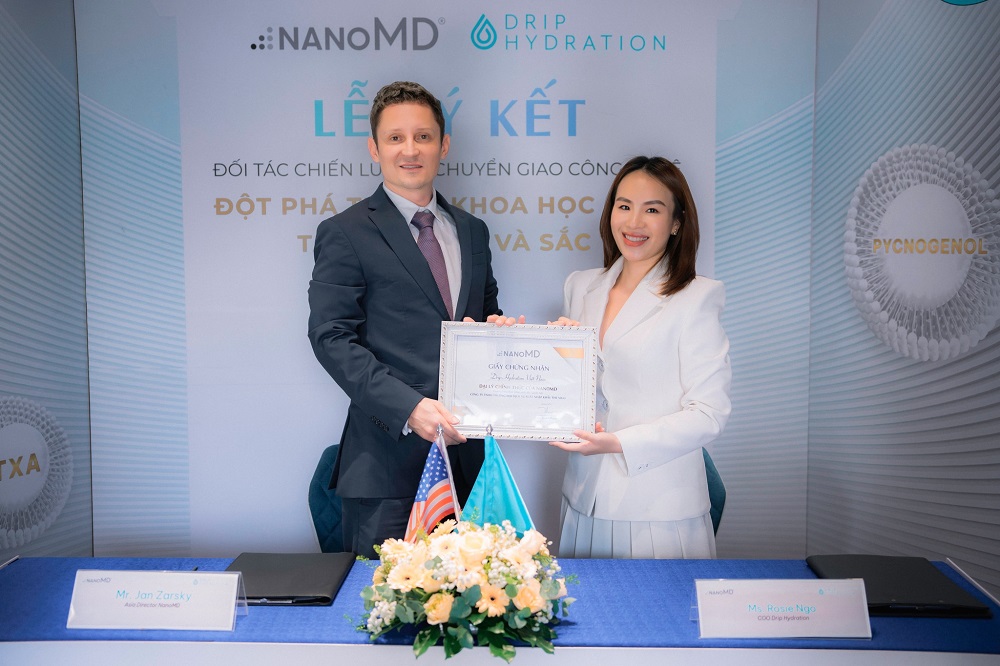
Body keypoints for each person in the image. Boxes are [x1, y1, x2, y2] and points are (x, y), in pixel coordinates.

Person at [308, 81, 518, 558]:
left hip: (468, 463)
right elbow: (330, 337)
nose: (410, 150)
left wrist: (499, 336)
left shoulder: (472, 231)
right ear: (374, 148)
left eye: (423, 136)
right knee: (385, 599)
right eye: (395, 138)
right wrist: (408, 408)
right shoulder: (345, 232)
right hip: (385, 468)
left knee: (476, 597)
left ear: (444, 145)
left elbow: (485, 316)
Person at [548, 155, 732, 559]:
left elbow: (709, 413)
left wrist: (618, 443)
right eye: (624, 205)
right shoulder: (581, 286)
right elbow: (570, 390)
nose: (633, 222)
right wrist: (520, 343)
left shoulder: (697, 297)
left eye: (652, 210)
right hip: (583, 498)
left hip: (658, 509)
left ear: (677, 222)